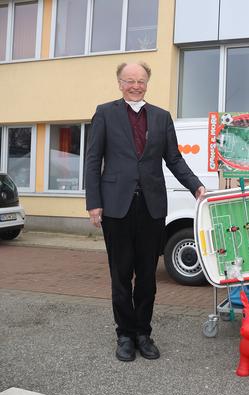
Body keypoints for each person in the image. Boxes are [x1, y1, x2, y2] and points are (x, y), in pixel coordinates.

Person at [85, 62, 206, 362]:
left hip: (151, 208)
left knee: (148, 278)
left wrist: (197, 187)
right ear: (119, 83)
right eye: (129, 80)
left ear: (147, 83)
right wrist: (93, 202)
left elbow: (174, 160)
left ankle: (143, 333)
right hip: (116, 207)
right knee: (121, 274)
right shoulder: (104, 113)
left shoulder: (161, 117)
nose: (135, 86)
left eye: (140, 81)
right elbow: (92, 160)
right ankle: (124, 335)